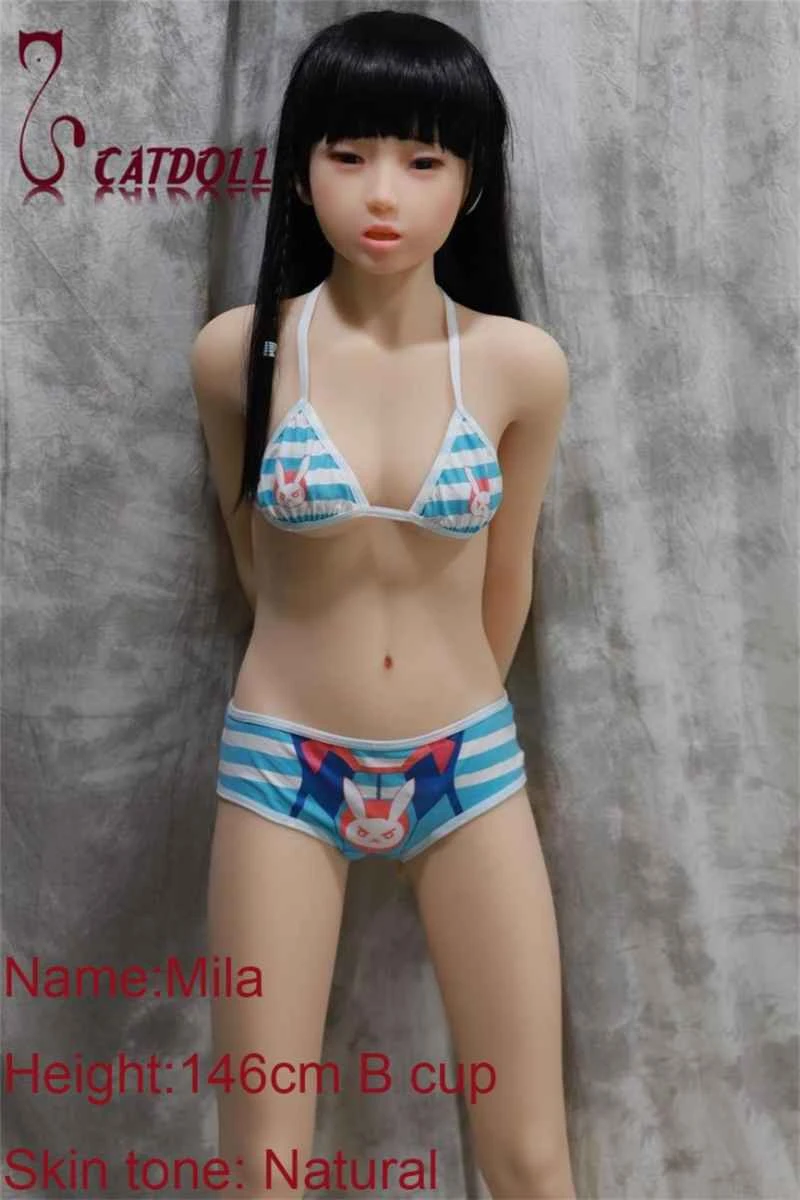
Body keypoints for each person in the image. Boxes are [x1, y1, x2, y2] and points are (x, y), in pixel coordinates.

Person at [190, 8, 574, 1197]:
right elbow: (253, 560)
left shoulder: (518, 366)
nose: (381, 193)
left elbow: (506, 578)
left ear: (472, 182)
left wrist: (436, 710)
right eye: (347, 153)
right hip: (283, 765)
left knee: (527, 1152)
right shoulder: (236, 356)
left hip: (463, 765)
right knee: (264, 1162)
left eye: (423, 159)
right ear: (299, 170)